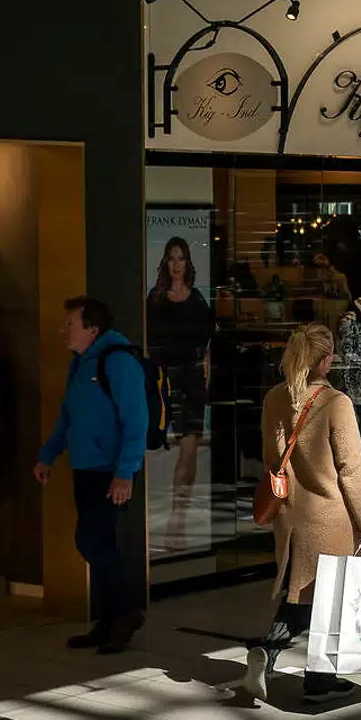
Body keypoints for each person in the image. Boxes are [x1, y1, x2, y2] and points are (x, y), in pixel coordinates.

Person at [243, 324, 361, 705]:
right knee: (328, 601)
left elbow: (273, 460)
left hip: (290, 516)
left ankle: (268, 655)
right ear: (325, 360)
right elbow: (351, 470)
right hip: (330, 518)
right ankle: (317, 679)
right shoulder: (337, 403)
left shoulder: (274, 399)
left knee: (299, 593)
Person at [34, 296, 148, 654]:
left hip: (109, 472)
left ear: (92, 329)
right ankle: (110, 620)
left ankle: (126, 612)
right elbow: (68, 417)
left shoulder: (118, 361)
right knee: (101, 546)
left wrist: (125, 473)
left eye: (70, 323)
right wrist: (48, 455)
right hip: (84, 469)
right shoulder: (80, 364)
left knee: (90, 541)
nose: (62, 330)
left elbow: (136, 422)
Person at [146, 236, 215, 552]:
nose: (176, 264)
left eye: (181, 258)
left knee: (189, 449)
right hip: (166, 381)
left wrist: (206, 375)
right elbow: (150, 345)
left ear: (188, 263)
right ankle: (169, 519)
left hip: (192, 383)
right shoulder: (155, 300)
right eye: (172, 258)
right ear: (166, 262)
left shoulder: (198, 301)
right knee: (170, 445)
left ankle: (178, 519)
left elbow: (206, 348)